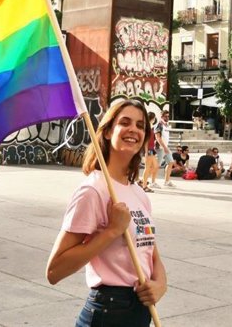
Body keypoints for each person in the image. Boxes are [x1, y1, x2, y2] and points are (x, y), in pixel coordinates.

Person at [46, 100, 167, 326]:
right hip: (109, 312)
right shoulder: (93, 190)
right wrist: (111, 231)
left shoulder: (138, 193)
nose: (134, 130)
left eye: (141, 125)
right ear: (109, 131)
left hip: (139, 313)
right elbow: (54, 270)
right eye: (125, 122)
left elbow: (151, 253)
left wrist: (160, 284)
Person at [153, 110, 175, 188]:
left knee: (171, 162)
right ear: (161, 116)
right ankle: (153, 182)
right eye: (165, 116)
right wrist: (165, 147)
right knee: (157, 165)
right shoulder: (159, 125)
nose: (167, 117)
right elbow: (158, 138)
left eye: (168, 116)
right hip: (159, 148)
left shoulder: (166, 125)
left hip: (165, 147)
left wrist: (166, 147)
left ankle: (167, 181)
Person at [139, 112, 158, 193]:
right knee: (148, 167)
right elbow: (146, 140)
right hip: (148, 150)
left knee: (155, 166)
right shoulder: (147, 127)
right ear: (152, 118)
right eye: (154, 118)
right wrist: (146, 152)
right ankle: (144, 186)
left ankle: (143, 181)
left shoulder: (150, 126)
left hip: (151, 149)